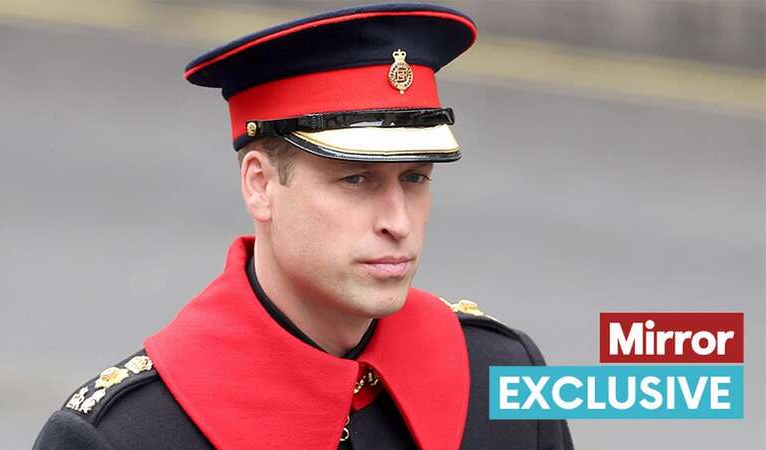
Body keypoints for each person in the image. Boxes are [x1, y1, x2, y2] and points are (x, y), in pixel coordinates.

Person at [33, 3, 573, 449]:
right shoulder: (127, 437)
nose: (398, 222)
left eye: (414, 177)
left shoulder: (500, 373)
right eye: (355, 180)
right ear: (260, 185)